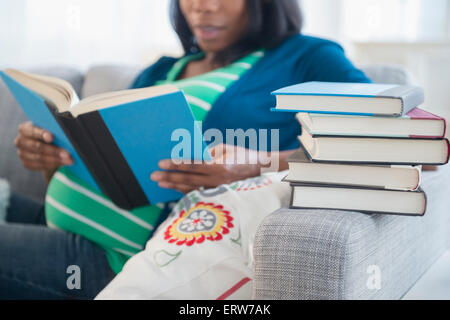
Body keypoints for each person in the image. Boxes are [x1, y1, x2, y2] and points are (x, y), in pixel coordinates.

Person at [2, 0, 370, 299]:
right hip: (55, 222)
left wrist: (260, 162)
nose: (201, 7)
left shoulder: (306, 57)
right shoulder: (161, 70)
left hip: (116, 259)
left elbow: (389, 141)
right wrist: (49, 157)